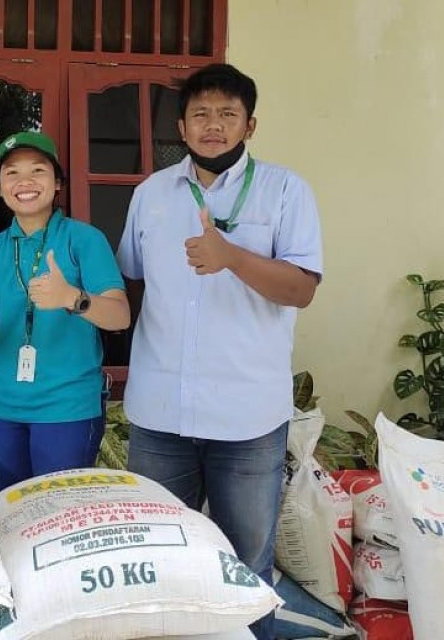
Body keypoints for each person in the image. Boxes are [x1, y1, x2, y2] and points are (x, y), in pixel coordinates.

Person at [116, 63, 323, 640]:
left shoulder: (286, 190)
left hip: (247, 419)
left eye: (228, 114)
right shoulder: (151, 194)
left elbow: (302, 289)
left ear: (249, 125)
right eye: (201, 114)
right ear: (181, 126)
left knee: (246, 567)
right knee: (159, 557)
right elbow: (132, 284)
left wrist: (231, 256)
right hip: (160, 415)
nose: (214, 125)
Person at [0, 131, 131, 489]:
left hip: (67, 405)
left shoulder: (84, 239)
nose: (25, 181)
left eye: (38, 170)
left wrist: (73, 297)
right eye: (11, 173)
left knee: (58, 515)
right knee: (13, 508)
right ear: (1, 188)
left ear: (56, 184)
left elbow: (120, 316)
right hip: (3, 405)